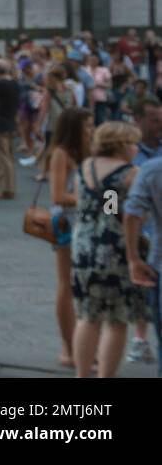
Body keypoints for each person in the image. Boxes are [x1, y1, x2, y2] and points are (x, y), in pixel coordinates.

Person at [71, 122, 150, 378]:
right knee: (116, 319)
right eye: (132, 143)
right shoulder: (131, 173)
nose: (136, 148)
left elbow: (84, 200)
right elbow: (128, 213)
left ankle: (82, 375)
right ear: (121, 145)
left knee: (87, 315)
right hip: (116, 248)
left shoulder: (84, 167)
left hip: (82, 246)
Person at [48, 106, 93, 368]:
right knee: (66, 284)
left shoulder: (85, 153)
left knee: (80, 286)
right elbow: (57, 196)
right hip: (66, 222)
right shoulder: (62, 154)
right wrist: (89, 198)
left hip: (83, 222)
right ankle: (68, 347)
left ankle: (80, 345)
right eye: (86, 126)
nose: (91, 130)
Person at [124, 151, 162, 377]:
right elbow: (111, 204)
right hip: (131, 240)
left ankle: (139, 339)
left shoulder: (92, 168)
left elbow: (114, 208)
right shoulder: (125, 173)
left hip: (111, 237)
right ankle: (139, 338)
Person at [0, 60, 20, 199]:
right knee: (9, 157)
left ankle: (5, 189)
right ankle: (10, 187)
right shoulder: (15, 84)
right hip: (11, 121)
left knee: (2, 158)